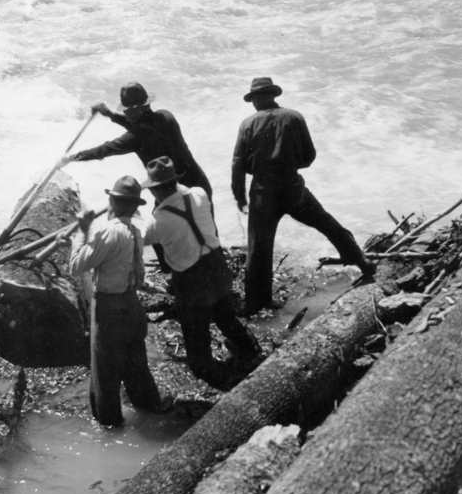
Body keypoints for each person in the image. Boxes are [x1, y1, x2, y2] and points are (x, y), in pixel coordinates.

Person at [232, 77, 375, 316]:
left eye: (254, 97)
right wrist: (289, 166)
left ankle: (258, 304)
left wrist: (239, 195)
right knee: (327, 224)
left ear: (259, 97)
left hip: (262, 192)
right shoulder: (294, 117)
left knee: (259, 249)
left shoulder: (248, 124)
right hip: (292, 187)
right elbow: (309, 155)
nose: (254, 102)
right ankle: (361, 262)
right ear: (273, 95)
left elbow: (239, 163)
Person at [140, 157, 262, 392]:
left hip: (191, 278)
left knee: (195, 331)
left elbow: (137, 238)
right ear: (175, 181)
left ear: (155, 191)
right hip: (216, 266)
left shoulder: (157, 221)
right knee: (224, 314)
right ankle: (248, 347)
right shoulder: (199, 194)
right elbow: (185, 193)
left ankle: (209, 372)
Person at [69, 176, 167, 427]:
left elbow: (76, 266)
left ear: (112, 201)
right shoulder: (135, 230)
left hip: (109, 309)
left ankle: (110, 430)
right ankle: (152, 414)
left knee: (104, 376)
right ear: (135, 207)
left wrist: (82, 230)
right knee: (137, 370)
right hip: (132, 307)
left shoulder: (109, 231)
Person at [64, 82, 213, 200]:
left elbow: (105, 149)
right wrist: (109, 114)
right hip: (200, 186)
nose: (125, 113)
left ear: (134, 110)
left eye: (126, 110)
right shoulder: (166, 116)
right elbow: (141, 129)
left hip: (174, 194)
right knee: (207, 234)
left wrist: (72, 158)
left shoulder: (137, 136)